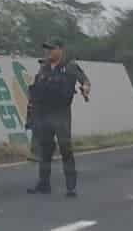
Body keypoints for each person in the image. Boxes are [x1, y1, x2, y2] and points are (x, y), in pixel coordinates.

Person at [27, 37, 90, 198]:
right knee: (45, 150)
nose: (48, 51)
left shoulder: (70, 66)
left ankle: (71, 187)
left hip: (61, 113)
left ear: (60, 50)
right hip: (44, 113)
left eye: (51, 48)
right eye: (46, 49)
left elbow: (85, 80)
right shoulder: (44, 68)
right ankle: (44, 184)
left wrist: (85, 88)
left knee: (65, 149)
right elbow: (35, 90)